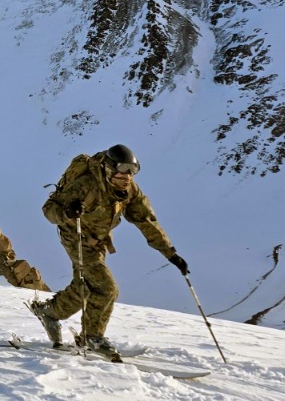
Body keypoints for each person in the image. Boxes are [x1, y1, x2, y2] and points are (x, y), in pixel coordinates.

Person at [26, 144, 188, 360]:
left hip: (98, 241)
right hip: (75, 237)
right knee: (106, 288)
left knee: (84, 287)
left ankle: (49, 313)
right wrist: (67, 212)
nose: (128, 175)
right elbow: (49, 210)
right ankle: (91, 337)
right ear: (109, 167)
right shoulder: (87, 185)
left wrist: (170, 254)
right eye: (123, 168)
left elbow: (146, 221)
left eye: (133, 169)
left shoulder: (130, 191)